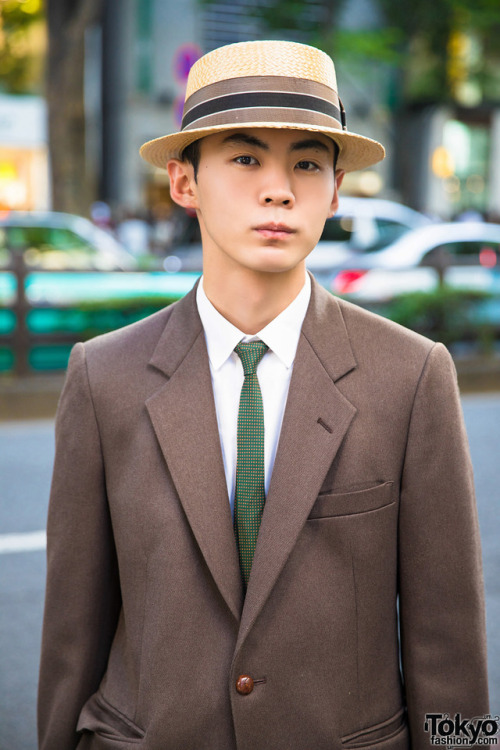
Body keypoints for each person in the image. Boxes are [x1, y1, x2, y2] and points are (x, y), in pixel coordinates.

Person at [38, 40, 489, 750]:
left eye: (307, 163)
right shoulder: (103, 377)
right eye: (245, 159)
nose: (279, 189)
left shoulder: (410, 375)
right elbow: (71, 634)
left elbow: (451, 647)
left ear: (337, 191)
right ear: (184, 183)